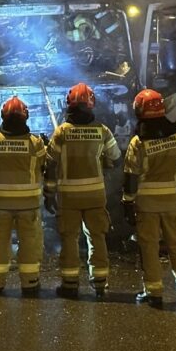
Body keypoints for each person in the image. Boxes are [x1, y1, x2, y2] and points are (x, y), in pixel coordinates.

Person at [122, 88, 176, 308]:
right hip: (169, 202)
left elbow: (131, 176)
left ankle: (154, 291)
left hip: (146, 204)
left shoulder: (139, 141)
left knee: (149, 247)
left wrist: (127, 202)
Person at [45, 82, 121, 298]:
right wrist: (101, 163)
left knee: (69, 239)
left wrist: (49, 193)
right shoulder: (102, 131)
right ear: (91, 104)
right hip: (95, 196)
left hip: (69, 197)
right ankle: (100, 284)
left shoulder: (61, 132)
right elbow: (116, 160)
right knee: (97, 237)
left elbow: (50, 164)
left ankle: (70, 284)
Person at [0, 96, 47, 296]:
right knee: (30, 244)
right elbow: (46, 166)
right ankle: (30, 284)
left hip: (0, 204)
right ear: (26, 117)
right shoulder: (35, 143)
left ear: (2, 116)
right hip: (29, 205)